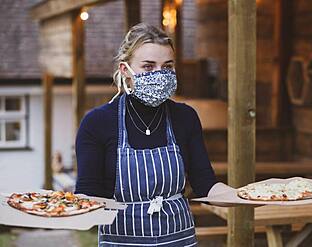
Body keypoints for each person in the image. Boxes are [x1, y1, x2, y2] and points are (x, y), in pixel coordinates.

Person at [75, 22, 231, 247]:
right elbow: (88, 194)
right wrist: (52, 208)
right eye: (148, 66)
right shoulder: (97, 123)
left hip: (179, 239)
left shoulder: (185, 117)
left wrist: (247, 197)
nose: (160, 74)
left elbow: (205, 184)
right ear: (125, 71)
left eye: (167, 66)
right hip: (122, 241)